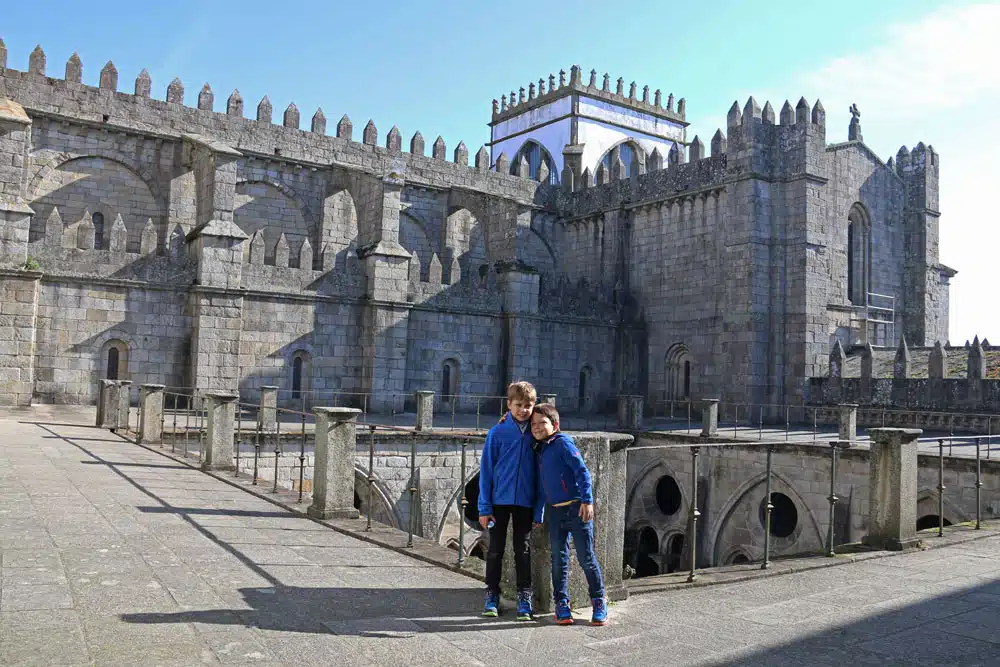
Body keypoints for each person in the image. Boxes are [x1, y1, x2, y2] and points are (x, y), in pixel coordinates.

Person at [531, 402, 608, 626]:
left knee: (586, 557)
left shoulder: (563, 443)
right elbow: (542, 487)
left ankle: (598, 600)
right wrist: (538, 513)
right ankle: (561, 603)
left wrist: (588, 500)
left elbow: (581, 471)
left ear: (555, 425)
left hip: (576, 509)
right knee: (559, 560)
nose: (536, 427)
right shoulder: (540, 449)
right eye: (533, 424)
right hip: (555, 514)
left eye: (542, 423)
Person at [477, 381, 544, 620]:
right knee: (495, 550)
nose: (523, 410)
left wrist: (539, 510)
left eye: (528, 405)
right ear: (509, 405)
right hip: (499, 502)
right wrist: (484, 507)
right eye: (518, 405)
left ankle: (524, 596)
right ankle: (492, 594)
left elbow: (541, 475)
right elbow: (486, 470)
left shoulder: (537, 433)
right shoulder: (498, 432)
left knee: (522, 550)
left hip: (525, 502)